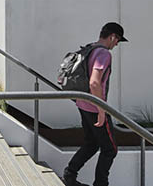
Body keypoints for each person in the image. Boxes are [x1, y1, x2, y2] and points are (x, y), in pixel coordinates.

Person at [62, 22, 128, 186]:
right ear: (112, 37)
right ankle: (100, 184)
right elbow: (94, 83)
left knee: (91, 143)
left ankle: (70, 174)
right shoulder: (103, 54)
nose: (116, 44)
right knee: (110, 149)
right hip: (94, 107)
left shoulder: (89, 48)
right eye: (117, 40)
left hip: (82, 104)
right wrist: (101, 110)